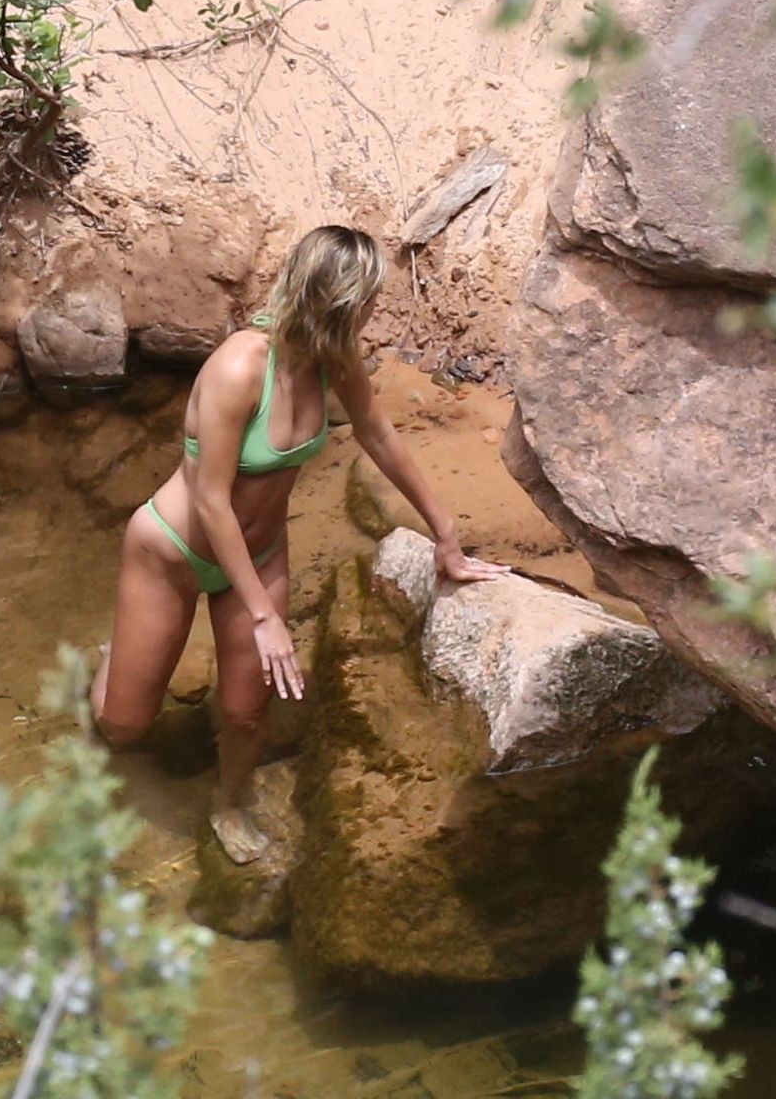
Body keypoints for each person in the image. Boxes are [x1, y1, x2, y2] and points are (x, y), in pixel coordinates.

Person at [92, 224, 508, 862]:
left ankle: (228, 802)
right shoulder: (238, 368)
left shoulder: (334, 357)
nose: (374, 313)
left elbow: (377, 433)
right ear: (339, 304)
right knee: (122, 729)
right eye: (369, 302)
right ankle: (108, 666)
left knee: (246, 712)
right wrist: (265, 617)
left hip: (259, 554)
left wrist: (445, 535)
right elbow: (211, 500)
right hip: (172, 551)